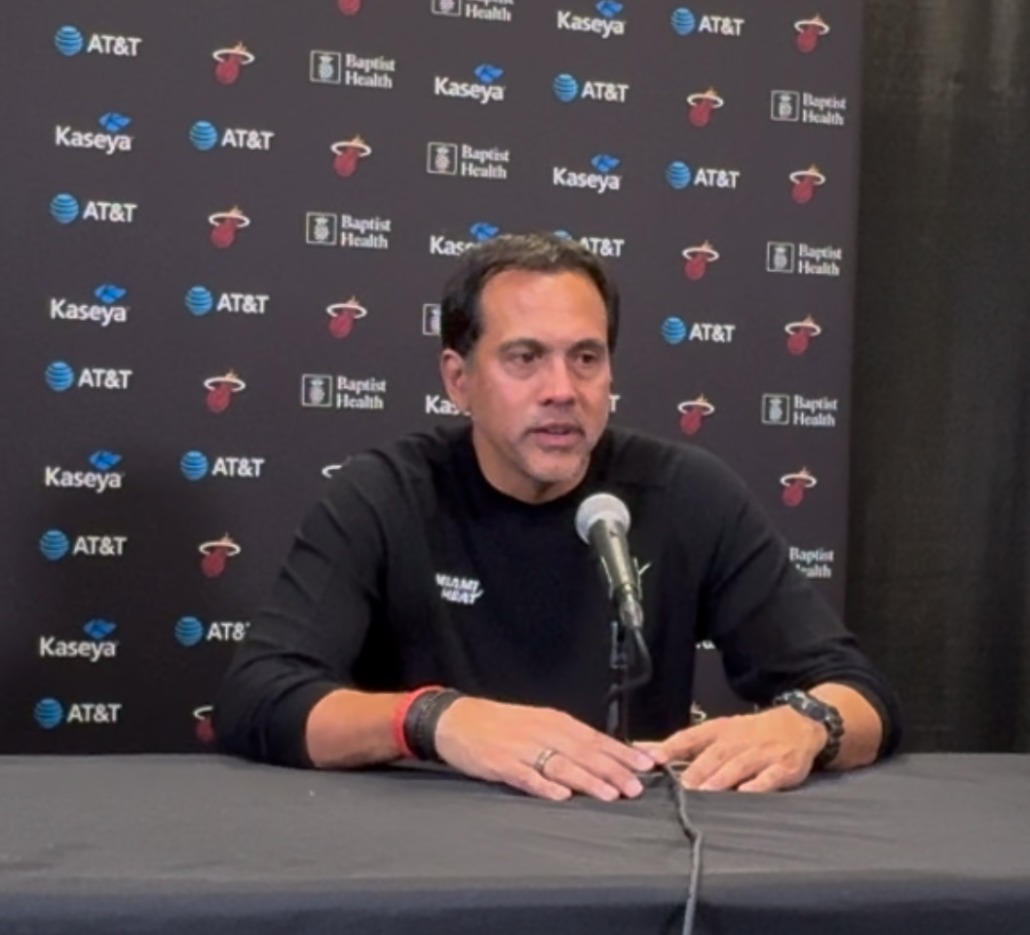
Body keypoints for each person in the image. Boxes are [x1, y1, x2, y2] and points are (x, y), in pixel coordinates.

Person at [213, 232, 901, 802]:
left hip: (628, 856)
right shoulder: (384, 495)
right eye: (525, 358)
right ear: (458, 379)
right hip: (428, 856)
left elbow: (862, 694)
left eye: (586, 358)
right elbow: (258, 698)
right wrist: (436, 718)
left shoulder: (686, 492)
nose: (562, 390)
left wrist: (810, 724)